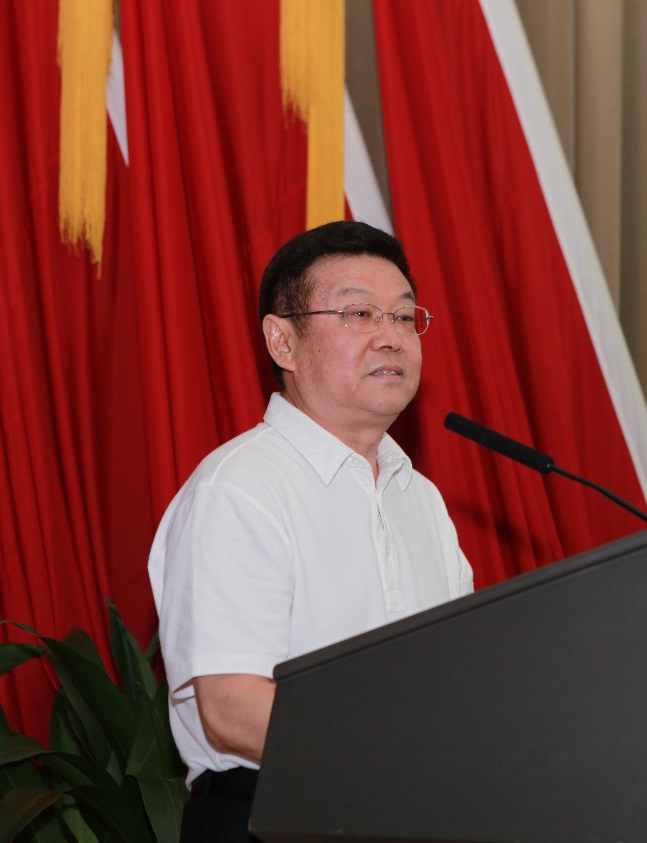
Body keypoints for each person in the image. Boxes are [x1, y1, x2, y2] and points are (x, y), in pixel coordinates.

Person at [148, 220, 474, 843]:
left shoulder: (421, 499)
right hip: (274, 812)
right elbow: (231, 708)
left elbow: (455, 680)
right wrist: (403, 755)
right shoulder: (239, 488)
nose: (391, 336)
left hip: (412, 809)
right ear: (283, 342)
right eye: (358, 313)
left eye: (404, 317)